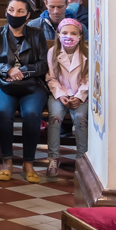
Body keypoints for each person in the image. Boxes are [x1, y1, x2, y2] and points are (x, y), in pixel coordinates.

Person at [0, 0, 48, 183]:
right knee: (4, 112)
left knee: (31, 114)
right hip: (2, 84)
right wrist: (8, 70)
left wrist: (23, 72)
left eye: (20, 11)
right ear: (6, 12)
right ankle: (7, 161)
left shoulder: (37, 34)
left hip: (32, 85)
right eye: (11, 10)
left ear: (28, 15)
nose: (15, 14)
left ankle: (28, 162)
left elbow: (43, 63)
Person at [45, 18, 88, 177]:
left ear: (80, 36)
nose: (69, 36)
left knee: (80, 118)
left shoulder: (87, 53)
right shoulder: (53, 52)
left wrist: (80, 96)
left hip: (80, 95)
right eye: (65, 33)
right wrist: (61, 94)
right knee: (55, 118)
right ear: (58, 35)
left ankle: (82, 158)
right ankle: (53, 158)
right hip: (59, 95)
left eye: (73, 33)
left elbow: (90, 79)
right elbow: (51, 78)